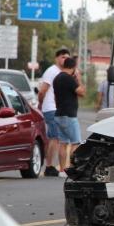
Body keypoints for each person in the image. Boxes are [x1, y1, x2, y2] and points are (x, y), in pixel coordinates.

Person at [37, 48, 70, 176]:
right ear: (56, 58)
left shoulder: (63, 72)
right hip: (51, 108)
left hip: (59, 108)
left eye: (66, 57)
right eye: (62, 57)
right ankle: (50, 166)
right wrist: (41, 103)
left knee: (54, 137)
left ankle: (50, 165)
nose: (64, 59)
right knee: (55, 138)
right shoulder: (52, 71)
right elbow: (43, 90)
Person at [53, 57, 85, 172]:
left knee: (63, 143)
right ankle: (72, 169)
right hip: (69, 116)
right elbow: (82, 92)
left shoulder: (57, 78)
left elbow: (56, 98)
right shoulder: (69, 79)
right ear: (73, 68)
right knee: (75, 143)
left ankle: (62, 169)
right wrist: (79, 79)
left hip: (59, 114)